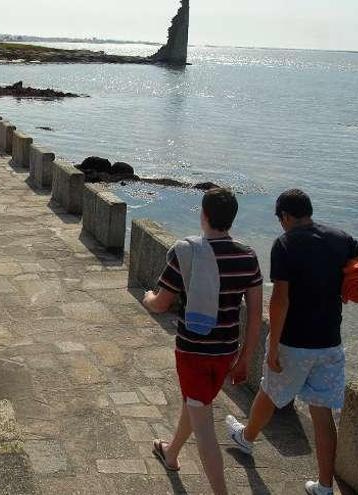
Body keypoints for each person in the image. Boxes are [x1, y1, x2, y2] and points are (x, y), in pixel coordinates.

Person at [225, 189, 358, 495]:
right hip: (330, 344)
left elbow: (281, 299)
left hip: (295, 342)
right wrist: (341, 283)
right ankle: (324, 487)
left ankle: (246, 438)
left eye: (280, 219)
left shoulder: (284, 244)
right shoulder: (342, 238)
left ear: (284, 216)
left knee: (269, 390)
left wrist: (272, 347)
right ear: (308, 211)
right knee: (322, 415)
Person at [143, 188, 263, 495]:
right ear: (232, 219)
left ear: (204, 215)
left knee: (205, 427)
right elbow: (255, 313)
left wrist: (147, 298)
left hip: (193, 353)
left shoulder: (186, 253)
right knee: (196, 403)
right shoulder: (248, 257)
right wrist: (246, 358)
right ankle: (171, 453)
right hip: (225, 353)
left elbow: (161, 303)